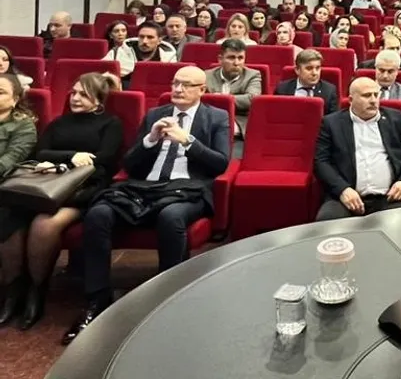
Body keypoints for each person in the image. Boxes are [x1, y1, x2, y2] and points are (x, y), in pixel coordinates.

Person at [65, 66, 230, 344]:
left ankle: (168, 298)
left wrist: (188, 141)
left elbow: (220, 163)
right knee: (98, 214)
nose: (178, 89)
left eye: (186, 85)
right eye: (175, 83)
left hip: (187, 189)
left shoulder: (216, 117)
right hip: (144, 187)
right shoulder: (155, 115)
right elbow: (130, 164)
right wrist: (150, 140)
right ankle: (97, 300)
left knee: (171, 217)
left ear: (202, 90)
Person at [0, 74, 121, 329]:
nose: (75, 98)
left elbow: (105, 159)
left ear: (99, 100)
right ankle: (13, 292)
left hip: (82, 191)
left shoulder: (110, 124)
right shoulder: (59, 123)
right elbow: (41, 152)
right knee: (11, 219)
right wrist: (71, 157)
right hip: (45, 187)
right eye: (74, 93)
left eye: (84, 94)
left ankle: (37, 292)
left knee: (44, 225)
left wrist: (66, 162)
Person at [314, 77, 401, 221]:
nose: (373, 100)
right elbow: (321, 161)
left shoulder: (395, 119)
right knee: (327, 222)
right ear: (351, 100)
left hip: (388, 198)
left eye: (376, 95)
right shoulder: (332, 123)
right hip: (345, 197)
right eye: (367, 95)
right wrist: (343, 190)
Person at [0, 74, 38, 325]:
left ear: (15, 99)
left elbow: (10, 160)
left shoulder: (23, 126)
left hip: (9, 189)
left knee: (8, 215)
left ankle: (13, 291)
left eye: (0, 92)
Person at [204, 39, 262, 136]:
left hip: (238, 122)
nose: (236, 63)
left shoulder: (252, 75)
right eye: (231, 58)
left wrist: (220, 98)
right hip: (210, 120)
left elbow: (252, 98)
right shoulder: (206, 75)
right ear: (220, 59)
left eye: (240, 58)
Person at [360, 31, 401, 105]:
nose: (395, 52)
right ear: (381, 49)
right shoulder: (365, 66)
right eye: (391, 48)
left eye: (398, 48)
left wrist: (398, 101)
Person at [108, 21, 178, 83]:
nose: (144, 41)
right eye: (141, 37)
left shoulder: (169, 57)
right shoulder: (117, 53)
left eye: (150, 37)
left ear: (159, 40)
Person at [275, 50, 339, 115]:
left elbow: (333, 119)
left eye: (317, 68)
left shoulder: (329, 91)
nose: (315, 73)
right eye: (309, 68)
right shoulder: (282, 89)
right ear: (297, 70)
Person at [372, 51, 401, 132]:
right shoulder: (363, 88)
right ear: (375, 68)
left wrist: (399, 128)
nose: (385, 76)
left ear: (397, 71)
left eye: (390, 71)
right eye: (381, 70)